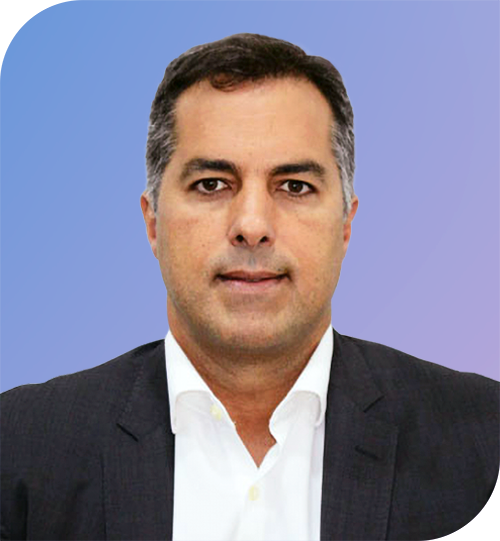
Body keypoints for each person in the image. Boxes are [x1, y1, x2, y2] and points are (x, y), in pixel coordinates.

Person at [1, 33, 498, 541]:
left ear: (346, 224)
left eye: (295, 186)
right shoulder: (20, 446)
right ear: (153, 222)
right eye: (212, 184)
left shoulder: (481, 435)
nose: (252, 225)